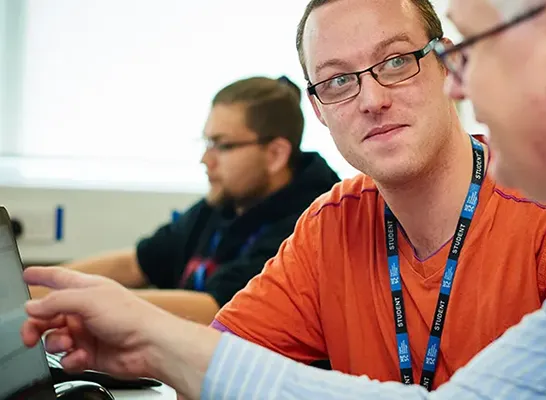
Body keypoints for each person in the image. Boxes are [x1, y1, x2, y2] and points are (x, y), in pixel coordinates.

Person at [19, 0, 546, 399]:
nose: (462, 82)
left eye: (459, 49)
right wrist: (156, 339)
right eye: (337, 80)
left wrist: (159, 336)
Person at [208, 0, 546, 389]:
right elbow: (212, 369)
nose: (372, 101)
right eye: (338, 81)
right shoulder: (330, 228)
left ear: (446, 63)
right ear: (318, 110)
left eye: (396, 61)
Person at [29, 76, 341, 325]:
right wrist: (36, 287)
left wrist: (82, 303)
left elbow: (218, 311)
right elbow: (136, 263)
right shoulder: (224, 203)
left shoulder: (312, 220)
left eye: (221, 145)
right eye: (207, 142)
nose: (206, 159)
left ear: (275, 155)